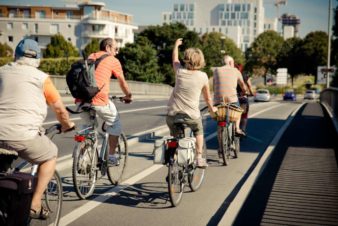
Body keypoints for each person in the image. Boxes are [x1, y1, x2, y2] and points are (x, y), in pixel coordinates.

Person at [0, 39, 75, 219]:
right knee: (50, 155)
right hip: (22, 135)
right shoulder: (42, 79)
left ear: (14, 55)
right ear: (38, 59)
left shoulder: (1, 72)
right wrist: (67, 125)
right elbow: (59, 109)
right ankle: (35, 203)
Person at [166, 38, 217, 168]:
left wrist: (176, 45)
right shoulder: (203, 76)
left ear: (186, 60)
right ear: (201, 61)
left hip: (172, 115)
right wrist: (212, 110)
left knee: (175, 137)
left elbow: (175, 60)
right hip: (191, 116)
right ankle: (199, 157)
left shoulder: (179, 72)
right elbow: (207, 98)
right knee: (198, 131)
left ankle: (173, 162)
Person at [82, 38, 132, 165]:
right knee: (115, 124)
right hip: (99, 100)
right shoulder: (113, 60)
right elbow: (121, 81)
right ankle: (111, 156)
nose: (117, 52)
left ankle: (83, 159)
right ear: (108, 48)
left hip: (82, 99)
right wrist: (128, 95)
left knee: (89, 129)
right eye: (116, 49)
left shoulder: (91, 56)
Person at [213, 55, 247, 143]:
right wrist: (244, 92)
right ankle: (237, 128)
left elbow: (214, 85)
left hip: (218, 100)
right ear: (231, 62)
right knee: (239, 111)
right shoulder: (235, 71)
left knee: (220, 121)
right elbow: (242, 85)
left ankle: (221, 149)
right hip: (232, 100)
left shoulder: (216, 70)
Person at [235, 64, 254, 133]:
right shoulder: (244, 75)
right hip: (242, 97)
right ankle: (242, 130)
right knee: (244, 115)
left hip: (233, 97)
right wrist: (251, 93)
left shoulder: (232, 74)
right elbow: (249, 85)